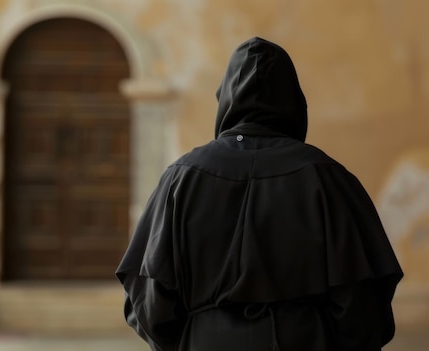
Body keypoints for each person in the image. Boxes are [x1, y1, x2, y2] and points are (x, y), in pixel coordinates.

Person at [115, 37, 403, 351]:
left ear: (225, 97)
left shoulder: (181, 177)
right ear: (293, 100)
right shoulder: (327, 177)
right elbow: (362, 302)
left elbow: (151, 297)